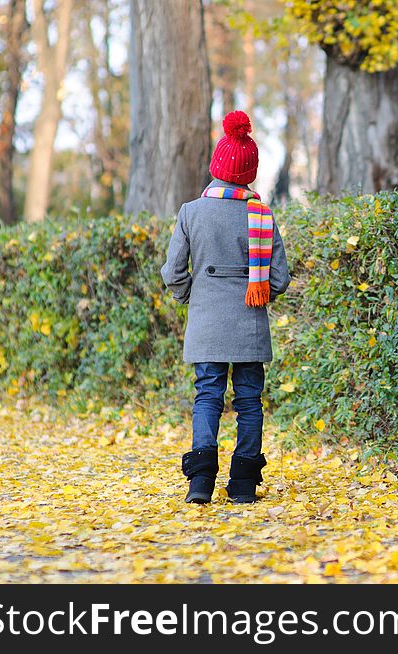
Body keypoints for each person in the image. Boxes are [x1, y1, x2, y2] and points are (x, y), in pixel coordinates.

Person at [160, 110, 291, 504]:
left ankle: (200, 483)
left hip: (207, 323)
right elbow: (280, 278)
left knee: (208, 397)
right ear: (250, 172)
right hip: (249, 324)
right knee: (249, 401)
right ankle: (244, 485)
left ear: (217, 165)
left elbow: (172, 271)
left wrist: (192, 297)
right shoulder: (262, 215)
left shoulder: (191, 212)